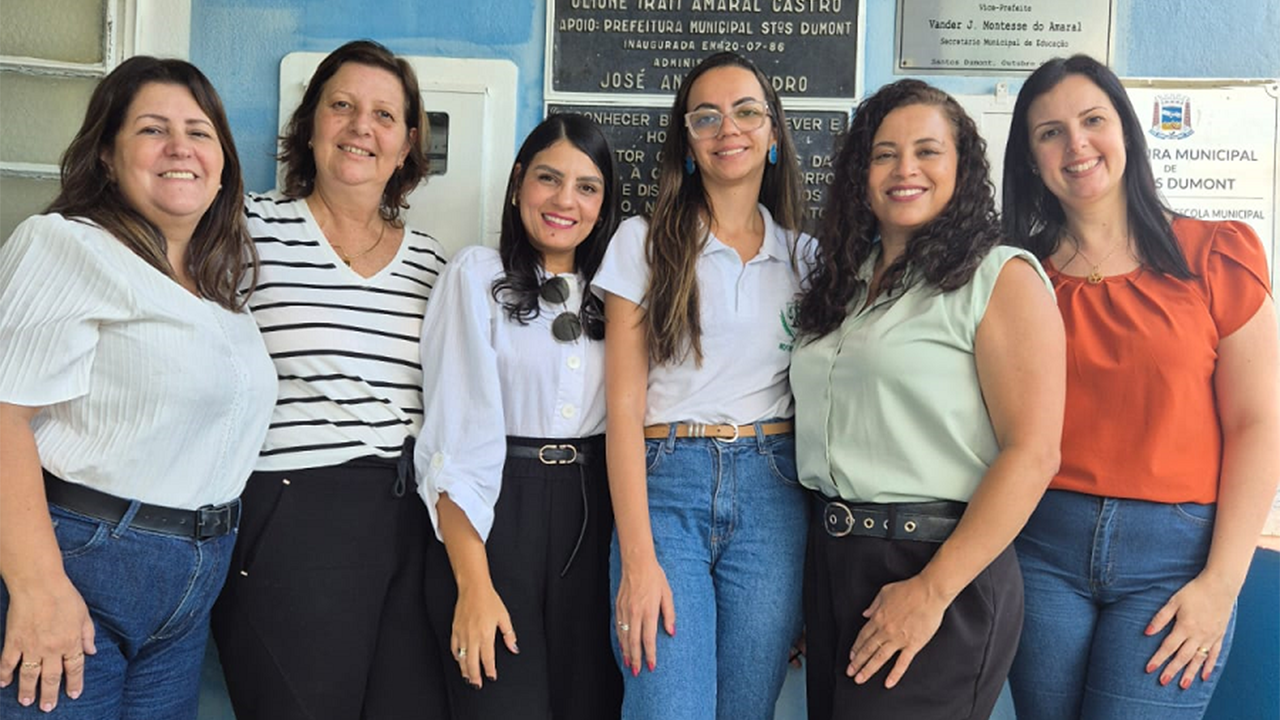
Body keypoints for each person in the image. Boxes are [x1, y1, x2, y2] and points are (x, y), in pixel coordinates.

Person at [1002, 54, 1280, 720]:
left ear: (1126, 129)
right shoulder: (1017, 277)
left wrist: (1220, 585)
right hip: (1041, 549)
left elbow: (1259, 424)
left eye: (1093, 120)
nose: (1076, 145)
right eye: (1049, 132)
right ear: (1031, 158)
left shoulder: (1215, 252)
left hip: (1175, 558)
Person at [0, 57, 275, 718]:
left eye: (199, 131)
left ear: (223, 164)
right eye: (153, 129)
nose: (181, 146)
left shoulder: (219, 289)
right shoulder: (68, 246)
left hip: (192, 581)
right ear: (106, 156)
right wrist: (38, 588)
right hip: (82, 566)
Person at [789, 79, 1065, 720]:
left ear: (963, 166)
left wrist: (930, 592)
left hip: (936, 564)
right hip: (834, 561)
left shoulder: (999, 275)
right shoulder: (842, 284)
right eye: (884, 153)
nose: (904, 169)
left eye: (927, 151)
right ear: (861, 171)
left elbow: (1033, 454)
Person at [210, 39, 450, 720]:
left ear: (406, 144)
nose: (360, 127)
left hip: (412, 520)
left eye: (382, 115)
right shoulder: (243, 226)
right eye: (341, 106)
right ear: (310, 124)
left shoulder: (434, 264)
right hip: (292, 515)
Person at [593, 51, 810, 720]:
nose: (729, 128)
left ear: (773, 134)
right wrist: (636, 561)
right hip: (668, 486)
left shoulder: (807, 258)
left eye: (747, 111)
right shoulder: (643, 242)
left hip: (774, 495)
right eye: (707, 116)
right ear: (686, 143)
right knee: (667, 706)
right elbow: (623, 408)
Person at [417, 113, 623, 720]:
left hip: (595, 517)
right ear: (517, 185)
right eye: (548, 178)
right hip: (498, 517)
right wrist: (474, 585)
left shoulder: (618, 296)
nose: (565, 201)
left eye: (587, 187)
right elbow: (453, 441)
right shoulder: (478, 275)